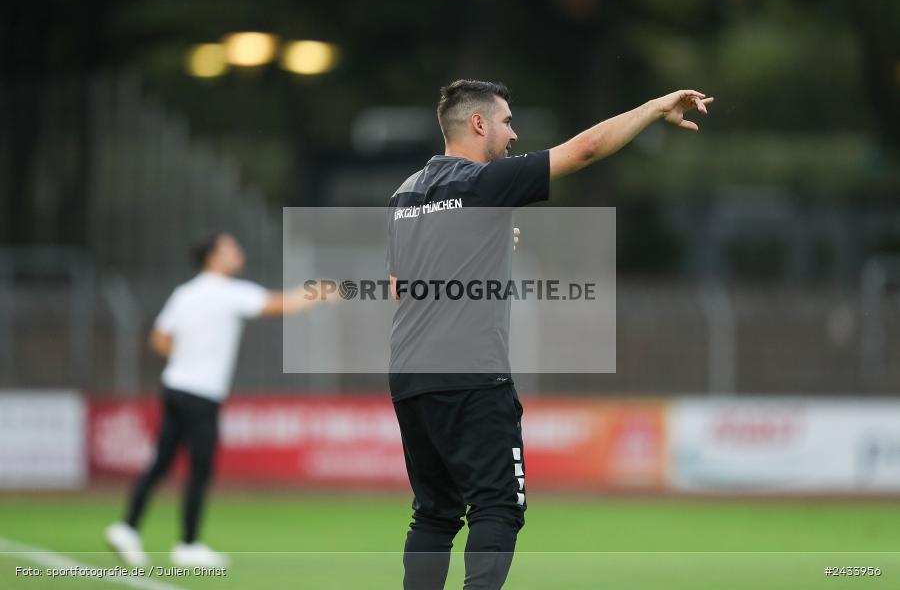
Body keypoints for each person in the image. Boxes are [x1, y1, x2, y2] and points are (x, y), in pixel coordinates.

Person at [386, 80, 713, 590]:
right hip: (471, 375)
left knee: (434, 511)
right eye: (507, 122)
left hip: (410, 377)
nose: (513, 134)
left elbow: (399, 288)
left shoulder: (406, 193)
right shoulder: (485, 182)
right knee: (498, 505)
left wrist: (484, 248)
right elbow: (585, 149)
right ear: (478, 124)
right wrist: (653, 107)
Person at [105, 232, 318, 568]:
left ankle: (127, 527)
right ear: (213, 257)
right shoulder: (228, 292)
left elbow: (159, 339)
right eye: (231, 248)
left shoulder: (185, 292)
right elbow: (281, 305)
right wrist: (323, 291)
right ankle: (188, 545)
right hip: (202, 394)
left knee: (161, 463)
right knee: (200, 468)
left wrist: (188, 357)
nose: (239, 252)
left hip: (175, 386)